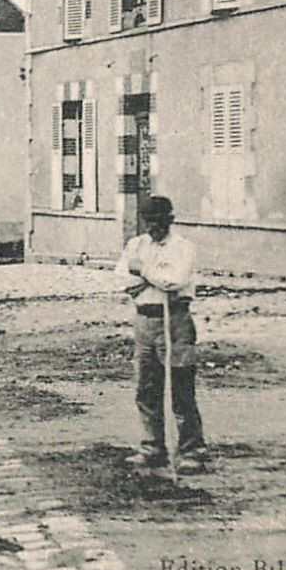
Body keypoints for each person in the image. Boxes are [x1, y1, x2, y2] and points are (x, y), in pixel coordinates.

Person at [114, 195, 206, 471]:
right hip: (144, 321)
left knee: (180, 387)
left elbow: (175, 281)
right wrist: (152, 279)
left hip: (175, 320)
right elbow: (121, 279)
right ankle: (152, 447)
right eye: (149, 222)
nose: (154, 227)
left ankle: (191, 450)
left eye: (159, 222)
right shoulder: (136, 244)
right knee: (147, 388)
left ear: (171, 220)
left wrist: (143, 270)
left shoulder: (182, 247)